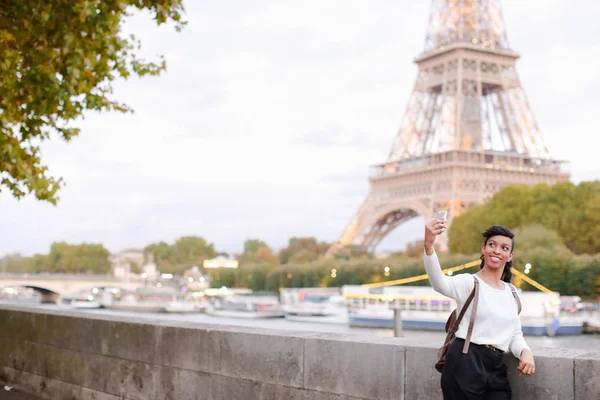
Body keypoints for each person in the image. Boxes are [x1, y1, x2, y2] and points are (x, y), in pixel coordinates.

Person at [424, 219, 535, 400]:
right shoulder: (469, 282)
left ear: (510, 256)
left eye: (504, 248)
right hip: (465, 360)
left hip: (496, 365)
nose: (497, 251)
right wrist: (429, 246)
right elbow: (439, 283)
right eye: (492, 245)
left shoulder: (512, 293)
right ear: (484, 249)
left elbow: (514, 334)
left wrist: (525, 352)